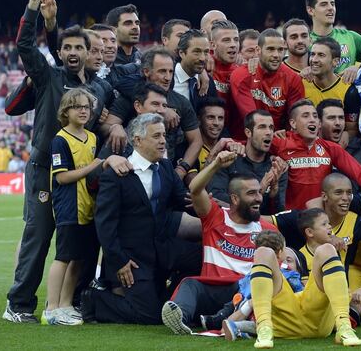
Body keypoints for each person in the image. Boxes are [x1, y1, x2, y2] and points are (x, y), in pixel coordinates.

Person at [4, 0, 115, 324]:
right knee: (38, 240)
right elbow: (24, 47)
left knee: (76, 243)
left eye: (78, 47)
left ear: (88, 53)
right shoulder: (48, 77)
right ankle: (19, 305)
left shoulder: (98, 89)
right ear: (60, 51)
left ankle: (67, 304)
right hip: (43, 171)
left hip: (78, 178)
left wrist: (112, 122)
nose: (71, 52)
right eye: (66, 47)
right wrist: (33, 7)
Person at [85, 114, 202, 325]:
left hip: (163, 250)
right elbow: (105, 224)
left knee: (204, 256)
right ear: (137, 140)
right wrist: (119, 261)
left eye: (164, 135)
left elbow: (184, 200)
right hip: (132, 259)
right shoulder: (116, 174)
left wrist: (217, 208)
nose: (163, 141)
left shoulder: (165, 167)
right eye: (156, 136)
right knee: (149, 316)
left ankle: (168, 298)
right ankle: (94, 300)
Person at [161, 150, 278, 335]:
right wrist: (215, 164)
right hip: (215, 290)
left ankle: (243, 322)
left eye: (259, 192)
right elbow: (195, 189)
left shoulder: (268, 230)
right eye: (251, 193)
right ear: (234, 198)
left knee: (259, 288)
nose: (258, 198)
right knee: (190, 283)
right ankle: (180, 319)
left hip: (246, 293)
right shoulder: (215, 217)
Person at [42, 89, 105, 326]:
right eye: (77, 106)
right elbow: (62, 177)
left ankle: (66, 304)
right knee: (64, 257)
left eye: (86, 107)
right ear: (65, 111)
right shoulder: (60, 140)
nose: (82, 111)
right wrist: (94, 166)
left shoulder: (91, 137)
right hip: (69, 206)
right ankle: (51, 308)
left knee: (78, 259)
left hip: (87, 206)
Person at [248, 230, 361, 347]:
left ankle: (343, 325)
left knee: (327, 248)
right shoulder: (259, 274)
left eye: (289, 260)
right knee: (263, 253)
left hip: (315, 318)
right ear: (282, 251)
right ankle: (264, 327)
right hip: (284, 323)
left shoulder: (303, 271)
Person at [271, 99, 361, 210]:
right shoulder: (280, 143)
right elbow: (253, 145)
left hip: (320, 219)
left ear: (319, 124)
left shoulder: (331, 148)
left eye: (315, 116)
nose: (312, 120)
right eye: (306, 116)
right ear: (293, 123)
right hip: (290, 218)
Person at [207, 110, 287, 213]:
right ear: (248, 132)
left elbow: (279, 212)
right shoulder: (229, 159)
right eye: (262, 127)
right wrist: (259, 191)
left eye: (271, 128)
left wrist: (274, 192)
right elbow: (216, 197)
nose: (269, 132)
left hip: (264, 226)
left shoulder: (277, 167)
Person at [230, 28, 305, 135]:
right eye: (270, 49)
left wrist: (285, 139)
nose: (276, 55)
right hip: (243, 143)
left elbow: (297, 121)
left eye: (280, 50)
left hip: (280, 142)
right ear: (258, 50)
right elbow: (253, 121)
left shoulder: (293, 79)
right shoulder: (241, 76)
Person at [306, 0, 361, 80]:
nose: (330, 8)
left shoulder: (350, 37)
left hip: (347, 93)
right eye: (324, 4)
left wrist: (359, 67)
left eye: (332, 4)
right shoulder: (304, 41)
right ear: (310, 10)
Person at [173, 29, 218, 112]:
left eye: (206, 52)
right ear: (182, 53)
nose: (203, 58)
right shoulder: (167, 78)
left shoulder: (209, 82)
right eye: (196, 52)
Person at [302, 37, 350, 106]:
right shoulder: (301, 85)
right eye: (312, 54)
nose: (314, 60)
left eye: (321, 55)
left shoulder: (348, 90)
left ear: (335, 61)